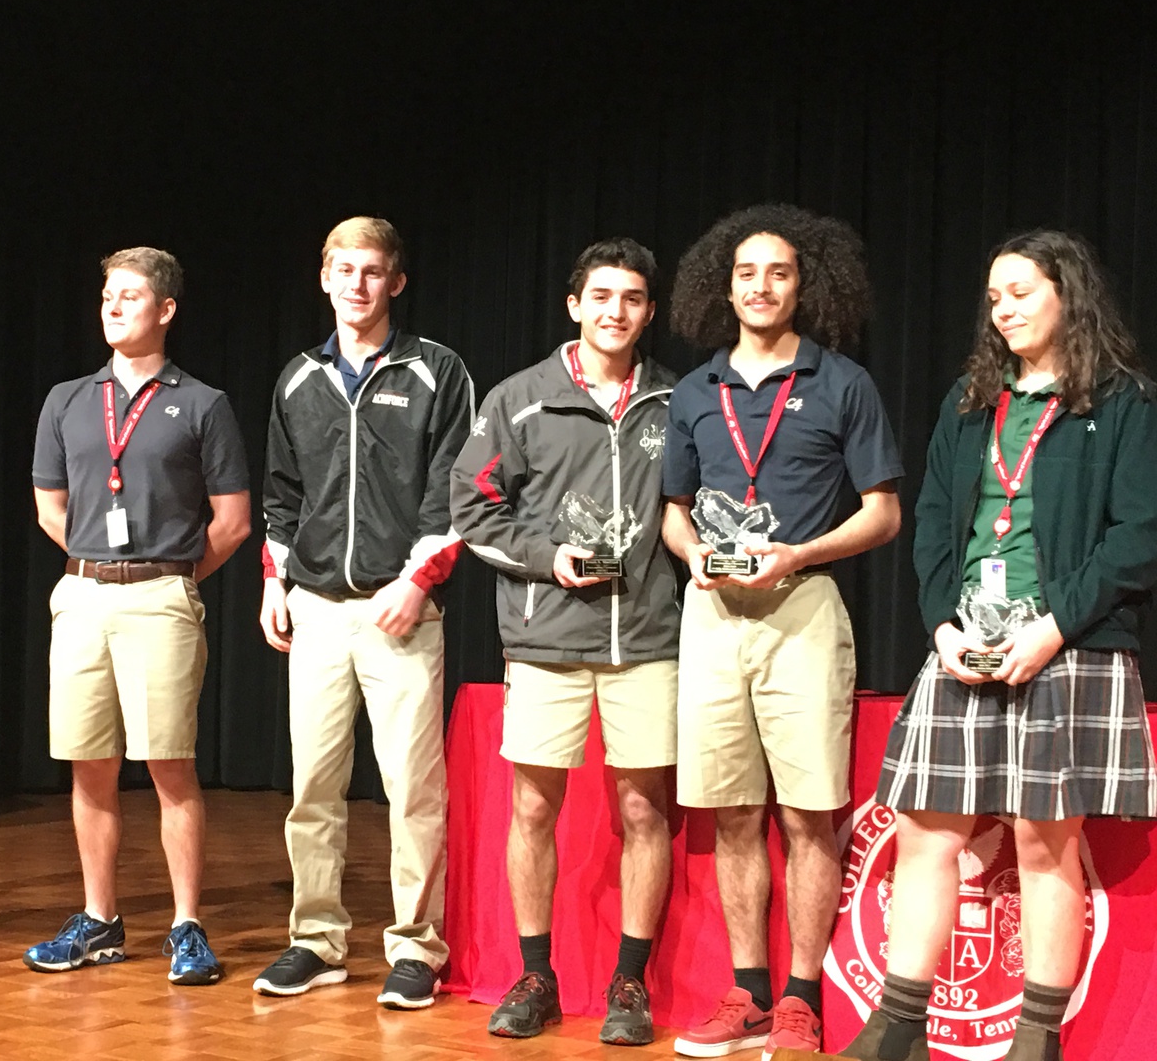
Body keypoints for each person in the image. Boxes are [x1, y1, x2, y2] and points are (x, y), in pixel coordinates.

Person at [844, 231, 1157, 1061]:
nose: (1004, 310)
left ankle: (1035, 1040)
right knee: (925, 834)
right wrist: (941, 625)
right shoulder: (972, 400)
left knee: (1043, 842)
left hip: (1070, 644)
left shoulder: (1122, 402)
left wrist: (1053, 627)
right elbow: (933, 525)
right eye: (993, 298)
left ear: (1068, 294)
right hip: (966, 644)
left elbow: (1139, 536)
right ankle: (897, 1028)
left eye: (1020, 292)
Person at [661, 204, 903, 1058]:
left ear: (805, 286)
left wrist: (799, 552)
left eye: (779, 272)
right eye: (746, 273)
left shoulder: (843, 383)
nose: (761, 287)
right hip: (713, 615)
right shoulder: (696, 391)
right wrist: (692, 553)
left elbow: (883, 514)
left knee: (806, 815)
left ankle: (801, 997)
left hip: (803, 608)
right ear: (723, 288)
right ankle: (748, 992)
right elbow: (673, 512)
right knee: (732, 815)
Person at [449, 238, 681, 1046]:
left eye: (632, 298)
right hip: (545, 637)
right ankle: (535, 976)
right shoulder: (519, 399)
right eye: (601, 296)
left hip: (647, 638)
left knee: (645, 809)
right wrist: (547, 558)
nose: (616, 311)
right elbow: (472, 507)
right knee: (533, 806)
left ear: (649, 312)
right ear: (575, 305)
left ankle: (630, 981)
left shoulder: (677, 400)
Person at [256, 216, 473, 1010]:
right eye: (344, 270)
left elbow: (455, 491)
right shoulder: (298, 377)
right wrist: (275, 581)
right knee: (312, 787)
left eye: (373, 271)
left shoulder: (436, 371)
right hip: (316, 608)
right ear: (324, 278)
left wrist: (416, 583)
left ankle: (417, 947)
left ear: (396, 282)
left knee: (412, 790)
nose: (358, 283)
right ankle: (316, 940)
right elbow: (282, 494)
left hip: (401, 611)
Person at [26, 247, 250, 985]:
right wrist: (99, 562)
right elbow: (50, 506)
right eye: (107, 296)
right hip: (82, 595)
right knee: (89, 765)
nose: (114, 307)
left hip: (162, 597)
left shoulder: (203, 403)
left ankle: (186, 925)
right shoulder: (67, 399)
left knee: (169, 765)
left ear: (166, 309)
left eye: (130, 295)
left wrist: (170, 574)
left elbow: (232, 521)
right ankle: (100, 920)